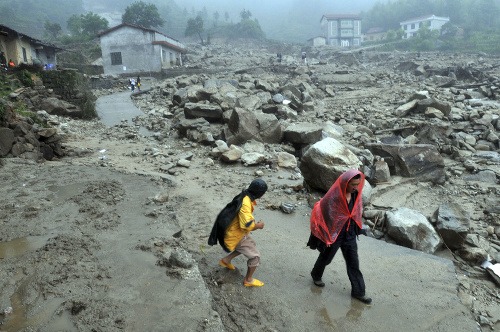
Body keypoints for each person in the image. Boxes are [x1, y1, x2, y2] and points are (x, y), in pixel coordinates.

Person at [307, 169, 372, 304]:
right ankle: (316, 274)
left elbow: (356, 213)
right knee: (326, 258)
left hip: (349, 234)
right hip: (335, 234)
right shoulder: (333, 198)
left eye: (357, 184)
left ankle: (359, 292)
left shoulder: (355, 195)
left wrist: (357, 229)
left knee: (353, 263)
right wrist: (326, 236)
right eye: (353, 184)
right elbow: (324, 217)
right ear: (345, 183)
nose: (356, 187)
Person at [208, 179, 268, 287]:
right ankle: (248, 280)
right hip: (234, 235)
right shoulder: (245, 204)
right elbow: (247, 225)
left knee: (250, 244)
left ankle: (226, 260)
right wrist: (258, 226)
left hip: (231, 231)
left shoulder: (244, 195)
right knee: (255, 256)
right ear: (260, 194)